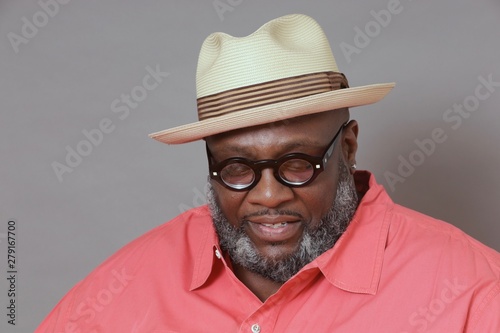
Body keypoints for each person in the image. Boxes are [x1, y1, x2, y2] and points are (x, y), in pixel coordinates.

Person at [36, 14, 499, 332]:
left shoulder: (473, 291)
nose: (268, 196)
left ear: (350, 146)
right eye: (236, 168)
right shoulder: (124, 288)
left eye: (297, 163)